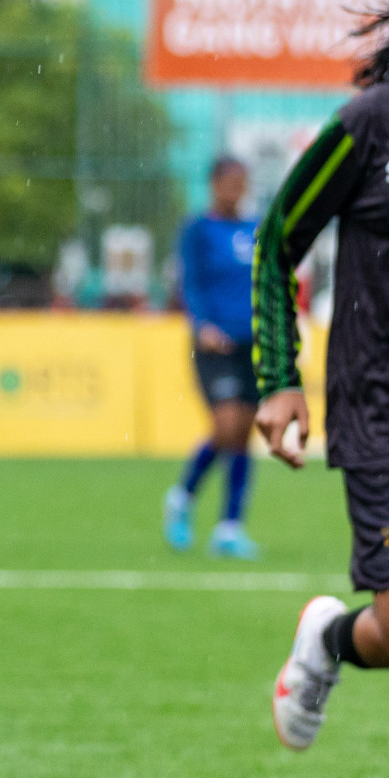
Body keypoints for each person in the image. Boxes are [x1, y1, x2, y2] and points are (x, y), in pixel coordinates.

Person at [261, 0, 389, 778]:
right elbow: (279, 236)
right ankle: (330, 637)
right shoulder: (372, 123)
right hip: (383, 408)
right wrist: (278, 376)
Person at [161, 156, 260, 559]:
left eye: (242, 183)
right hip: (214, 345)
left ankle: (230, 527)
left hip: (252, 345)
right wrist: (202, 324)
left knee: (245, 434)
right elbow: (191, 282)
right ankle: (182, 496)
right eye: (230, 183)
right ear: (215, 185)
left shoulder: (255, 229)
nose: (236, 191)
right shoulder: (198, 229)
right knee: (226, 425)